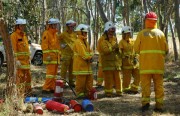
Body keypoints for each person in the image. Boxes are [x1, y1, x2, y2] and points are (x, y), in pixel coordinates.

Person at [134, 12, 169, 112]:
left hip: (145, 66)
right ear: (155, 22)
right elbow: (166, 50)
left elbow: (136, 49)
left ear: (146, 21)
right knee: (159, 86)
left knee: (145, 86)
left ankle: (145, 105)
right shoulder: (161, 34)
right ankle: (159, 106)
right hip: (158, 66)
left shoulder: (141, 34)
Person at [98, 21, 122, 97]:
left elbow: (117, 51)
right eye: (110, 31)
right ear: (106, 30)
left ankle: (119, 92)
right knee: (108, 79)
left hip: (115, 63)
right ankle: (108, 93)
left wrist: (118, 50)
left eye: (113, 31)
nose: (112, 33)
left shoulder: (114, 39)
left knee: (118, 79)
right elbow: (104, 50)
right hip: (107, 63)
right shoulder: (103, 40)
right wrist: (113, 48)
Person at [10, 18, 32, 97]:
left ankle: (28, 92)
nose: (23, 27)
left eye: (24, 26)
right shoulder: (14, 35)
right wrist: (16, 60)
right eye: (21, 26)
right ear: (17, 26)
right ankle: (20, 94)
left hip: (26, 62)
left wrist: (29, 58)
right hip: (20, 62)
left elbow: (26, 48)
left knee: (28, 77)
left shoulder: (24, 35)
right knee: (20, 78)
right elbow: (13, 49)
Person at [72, 24, 93, 99]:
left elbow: (90, 51)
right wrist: (89, 58)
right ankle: (80, 94)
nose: (86, 34)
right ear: (80, 32)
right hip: (80, 65)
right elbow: (82, 53)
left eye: (86, 32)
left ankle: (87, 93)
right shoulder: (78, 42)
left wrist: (91, 56)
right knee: (81, 81)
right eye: (84, 32)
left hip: (87, 66)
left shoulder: (85, 42)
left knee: (89, 81)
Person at [41, 18, 60, 94]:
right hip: (50, 58)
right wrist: (47, 55)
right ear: (50, 25)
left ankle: (52, 87)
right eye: (54, 24)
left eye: (56, 24)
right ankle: (46, 88)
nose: (55, 26)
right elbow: (44, 45)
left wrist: (59, 55)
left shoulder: (55, 34)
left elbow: (57, 47)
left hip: (55, 58)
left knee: (54, 74)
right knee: (50, 74)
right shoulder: (46, 33)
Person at [119, 26, 140, 94]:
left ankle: (134, 88)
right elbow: (120, 53)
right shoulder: (121, 42)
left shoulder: (133, 41)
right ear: (123, 34)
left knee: (138, 75)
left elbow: (136, 50)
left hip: (134, 62)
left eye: (129, 33)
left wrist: (136, 57)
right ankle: (126, 89)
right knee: (127, 78)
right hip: (126, 63)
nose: (128, 34)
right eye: (127, 33)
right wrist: (123, 58)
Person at [59, 20, 77, 87]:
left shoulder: (74, 35)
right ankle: (62, 82)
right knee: (64, 69)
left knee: (72, 69)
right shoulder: (63, 34)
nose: (72, 28)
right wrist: (62, 46)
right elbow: (58, 40)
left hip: (73, 54)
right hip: (66, 54)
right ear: (67, 27)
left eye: (73, 27)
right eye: (71, 27)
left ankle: (71, 82)